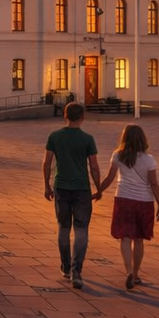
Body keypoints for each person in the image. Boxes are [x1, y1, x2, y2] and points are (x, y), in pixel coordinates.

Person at [42, 102, 102, 289]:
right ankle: (77, 270)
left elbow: (47, 162)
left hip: (61, 186)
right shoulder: (87, 139)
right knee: (81, 228)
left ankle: (65, 265)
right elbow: (93, 166)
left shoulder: (55, 136)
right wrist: (99, 188)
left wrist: (47, 185)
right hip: (82, 188)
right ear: (82, 117)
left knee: (63, 227)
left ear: (65, 115)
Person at [97, 124, 159, 291]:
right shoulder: (149, 159)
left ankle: (127, 270)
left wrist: (98, 191)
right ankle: (135, 274)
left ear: (124, 138)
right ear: (143, 139)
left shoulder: (118, 155)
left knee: (125, 237)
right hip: (144, 201)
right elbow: (153, 183)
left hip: (123, 198)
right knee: (139, 239)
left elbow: (109, 178)